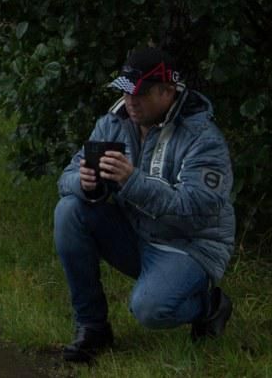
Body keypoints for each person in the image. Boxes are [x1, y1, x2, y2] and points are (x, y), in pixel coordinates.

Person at [53, 46, 235, 363]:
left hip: (189, 245)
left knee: (150, 309)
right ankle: (92, 327)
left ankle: (210, 306)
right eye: (126, 92)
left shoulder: (203, 137)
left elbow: (198, 208)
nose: (130, 101)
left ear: (167, 91)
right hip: (136, 233)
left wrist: (132, 182)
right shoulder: (114, 122)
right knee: (69, 210)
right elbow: (65, 178)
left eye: (140, 93)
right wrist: (84, 183)